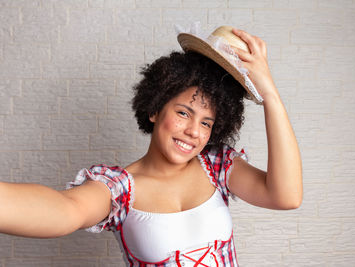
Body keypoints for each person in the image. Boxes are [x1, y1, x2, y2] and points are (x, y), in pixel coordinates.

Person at [0, 26, 302, 266]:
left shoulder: (217, 167)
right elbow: (65, 210)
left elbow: (286, 196)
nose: (193, 132)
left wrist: (270, 96)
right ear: (155, 108)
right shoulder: (120, 189)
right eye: (184, 113)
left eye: (207, 123)